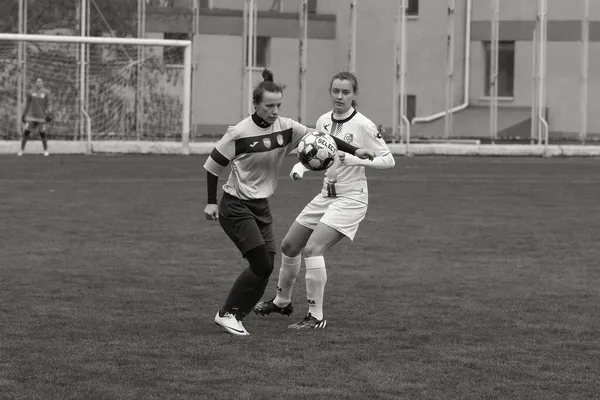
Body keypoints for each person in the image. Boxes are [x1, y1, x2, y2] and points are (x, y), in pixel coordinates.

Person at [204, 69, 376, 336]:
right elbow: (213, 167)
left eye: (278, 105)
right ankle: (227, 314)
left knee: (267, 264)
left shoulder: (286, 127)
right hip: (235, 205)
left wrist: (355, 150)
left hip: (261, 207)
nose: (274, 111)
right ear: (256, 105)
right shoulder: (238, 133)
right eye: (269, 106)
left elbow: (322, 139)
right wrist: (210, 202)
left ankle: (239, 313)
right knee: (262, 264)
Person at [253, 71, 396, 329]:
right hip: (325, 195)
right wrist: (300, 168)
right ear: (330, 92)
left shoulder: (363, 125)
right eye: (336, 91)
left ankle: (316, 317)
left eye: (345, 92)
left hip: (351, 198)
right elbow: (317, 154)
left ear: (354, 95)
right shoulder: (323, 121)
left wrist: (353, 159)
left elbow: (388, 159)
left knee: (313, 249)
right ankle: (282, 302)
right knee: (289, 246)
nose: (340, 96)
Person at [19, 77, 53, 156]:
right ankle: (21, 150)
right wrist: (24, 114)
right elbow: (27, 104)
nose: (39, 83)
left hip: (41, 117)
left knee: (42, 133)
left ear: (43, 83)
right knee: (26, 132)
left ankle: (45, 151)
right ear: (35, 83)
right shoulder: (30, 92)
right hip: (31, 116)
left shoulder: (46, 92)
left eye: (40, 82)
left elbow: (49, 103)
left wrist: (49, 113)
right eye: (37, 82)